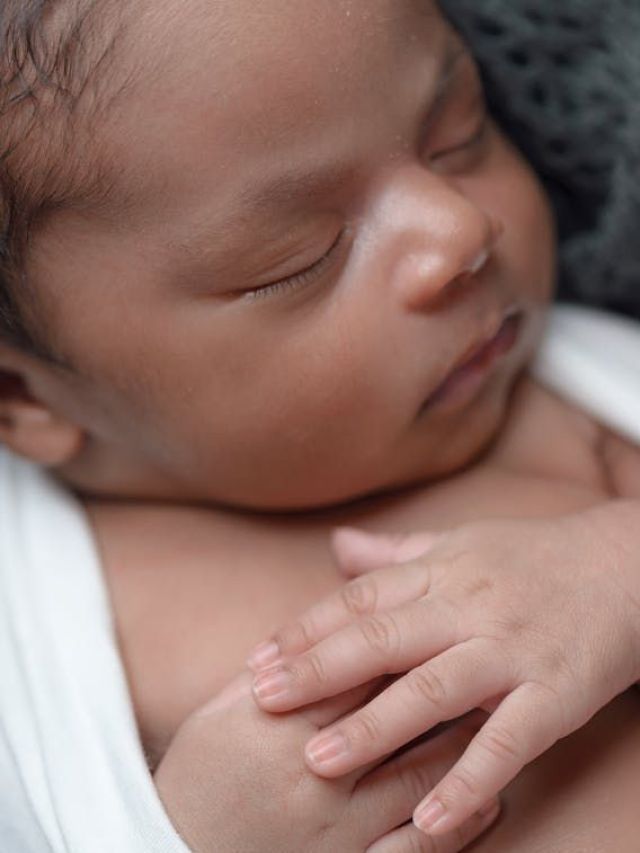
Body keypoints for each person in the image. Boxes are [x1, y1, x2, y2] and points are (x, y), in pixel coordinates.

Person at [0, 0, 639, 850]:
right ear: (24, 396)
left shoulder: (574, 383)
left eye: (460, 132)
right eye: (300, 257)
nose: (460, 231)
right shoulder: (26, 647)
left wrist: (614, 572)